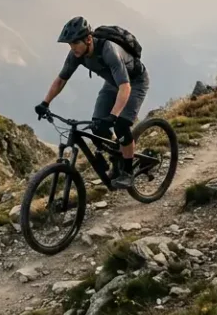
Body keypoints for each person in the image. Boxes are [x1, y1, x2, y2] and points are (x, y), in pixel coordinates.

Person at [34, 16, 150, 190]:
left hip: (134, 82)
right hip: (112, 84)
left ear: (88, 39)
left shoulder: (109, 51)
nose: (72, 48)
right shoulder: (77, 54)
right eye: (69, 44)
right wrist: (45, 103)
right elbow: (61, 80)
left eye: (75, 43)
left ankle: (127, 173)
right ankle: (117, 157)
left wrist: (114, 115)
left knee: (121, 126)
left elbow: (125, 87)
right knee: (97, 127)